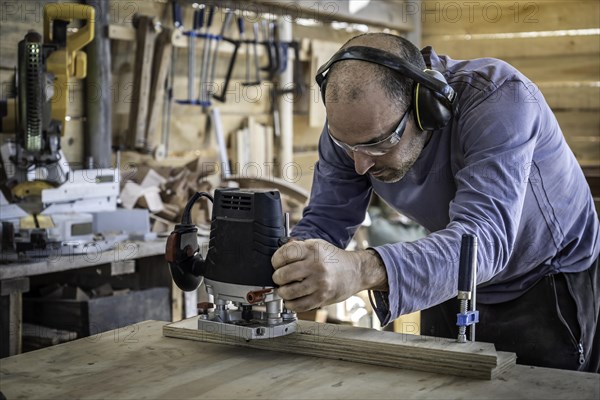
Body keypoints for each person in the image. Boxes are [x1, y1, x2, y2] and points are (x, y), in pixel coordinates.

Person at [270, 32, 599, 372]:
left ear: (427, 108)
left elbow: (484, 242)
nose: (360, 164)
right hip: (447, 273)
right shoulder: (353, 131)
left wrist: (360, 269)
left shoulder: (501, 100)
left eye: (379, 144)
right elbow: (326, 221)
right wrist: (290, 262)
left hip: (546, 277)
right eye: (347, 147)